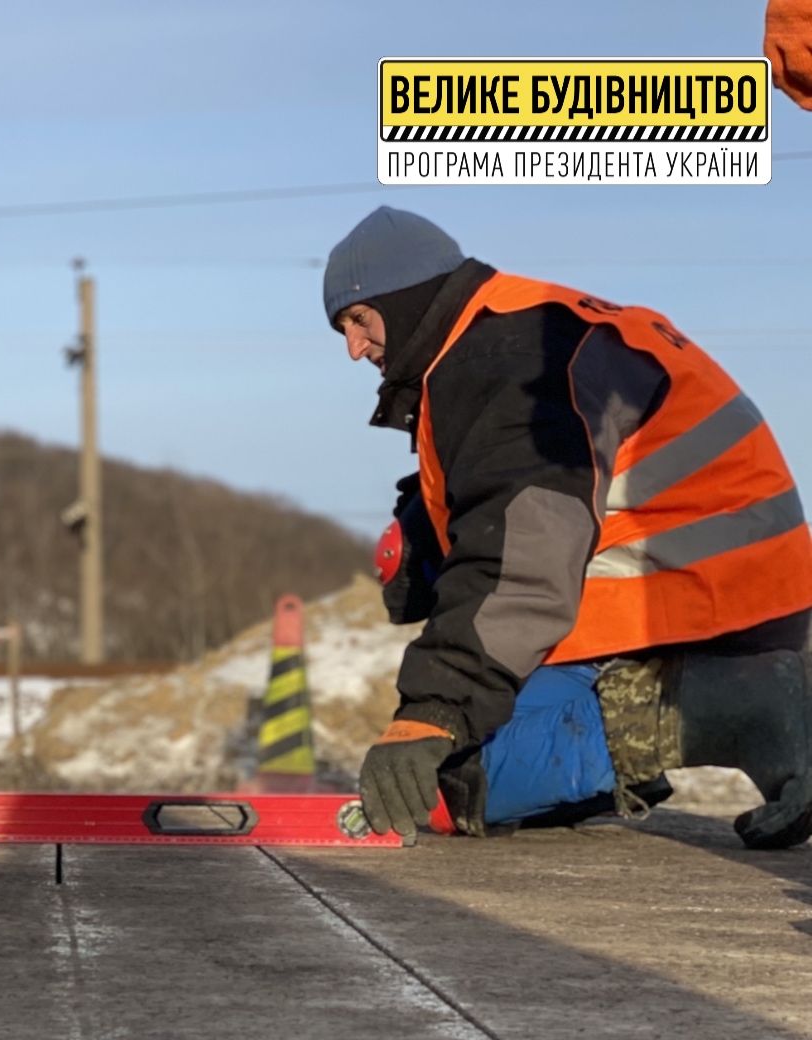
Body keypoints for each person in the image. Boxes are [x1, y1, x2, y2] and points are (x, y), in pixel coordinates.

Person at [327, 206, 812, 846]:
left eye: (360, 320)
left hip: (702, 605)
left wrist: (434, 712)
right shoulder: (520, 329)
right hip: (730, 587)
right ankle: (688, 717)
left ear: (407, 298)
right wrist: (426, 528)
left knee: (459, 781)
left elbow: (522, 558)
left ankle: (742, 707)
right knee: (485, 753)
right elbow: (530, 479)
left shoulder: (509, 360)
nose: (354, 348)